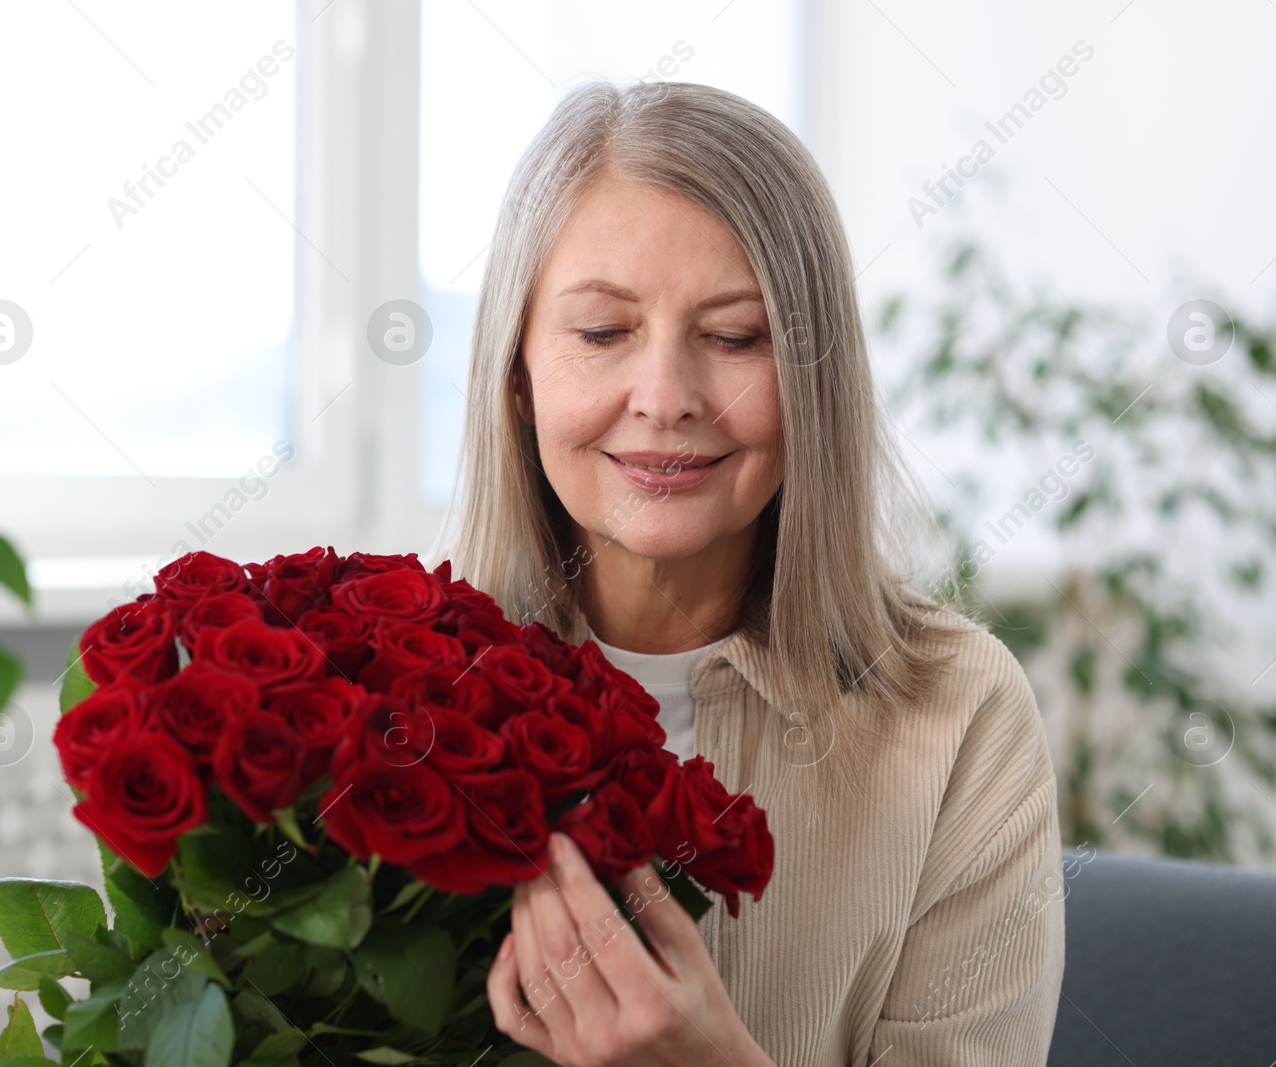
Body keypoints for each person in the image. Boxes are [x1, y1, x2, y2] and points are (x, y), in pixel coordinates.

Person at [437, 79, 1064, 1067]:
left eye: (735, 336)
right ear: (516, 370)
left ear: (815, 379)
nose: (667, 398)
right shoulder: (396, 687)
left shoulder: (960, 715)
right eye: (602, 332)